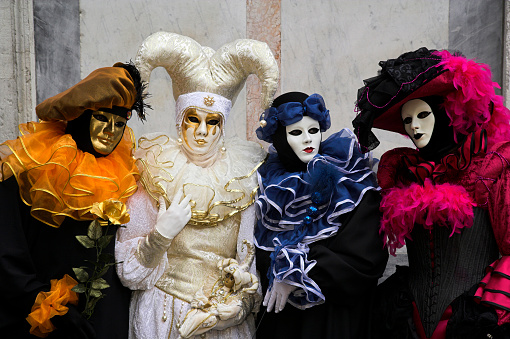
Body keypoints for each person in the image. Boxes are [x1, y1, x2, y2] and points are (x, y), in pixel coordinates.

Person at [114, 32, 279, 339]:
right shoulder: (155, 172)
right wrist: (160, 236)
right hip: (162, 319)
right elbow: (130, 275)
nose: (202, 131)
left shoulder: (242, 180)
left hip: (223, 326)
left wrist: (239, 307)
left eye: (213, 121)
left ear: (223, 125)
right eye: (193, 118)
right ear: (180, 121)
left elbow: (249, 266)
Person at [354, 47, 510, 338]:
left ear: (446, 112)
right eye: (407, 119)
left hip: (471, 320)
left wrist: (490, 310)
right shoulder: (403, 173)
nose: (414, 125)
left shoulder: (490, 169)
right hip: (405, 318)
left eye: (423, 114)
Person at [0, 62, 147, 338]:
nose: (110, 131)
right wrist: (49, 308)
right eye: (102, 118)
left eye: (120, 123)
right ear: (80, 115)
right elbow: (6, 255)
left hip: (106, 322)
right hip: (43, 324)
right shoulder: (29, 169)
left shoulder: (126, 173)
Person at [254, 91, 388, 338]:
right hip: (283, 320)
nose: (308, 139)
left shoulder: (351, 177)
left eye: (313, 130)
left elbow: (366, 256)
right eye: (296, 132)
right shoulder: (270, 187)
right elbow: (258, 250)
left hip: (334, 318)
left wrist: (299, 272)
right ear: (280, 138)